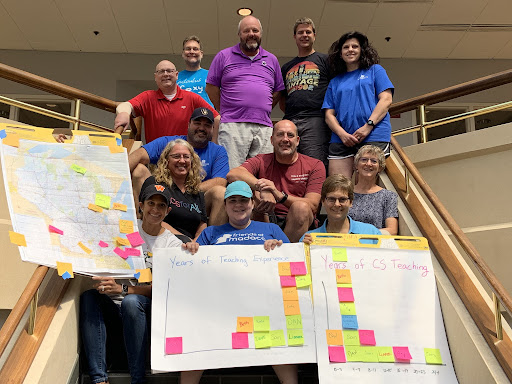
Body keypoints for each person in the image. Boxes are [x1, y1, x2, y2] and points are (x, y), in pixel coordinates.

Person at [79, 180, 197, 384]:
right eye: (151, 203)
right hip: (116, 304)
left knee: (131, 302)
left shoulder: (173, 244)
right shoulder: (124, 232)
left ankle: (138, 379)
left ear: (168, 211)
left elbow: (164, 290)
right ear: (141, 206)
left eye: (161, 205)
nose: (156, 209)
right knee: (89, 297)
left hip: (147, 309)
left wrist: (123, 289)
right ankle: (99, 379)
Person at [181, 180, 297, 384]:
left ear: (252, 203)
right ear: (225, 206)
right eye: (232, 201)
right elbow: (194, 269)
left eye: (243, 200)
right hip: (219, 305)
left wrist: (278, 248)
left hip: (262, 303)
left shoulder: (271, 229)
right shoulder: (210, 233)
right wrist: (191, 250)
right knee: (196, 337)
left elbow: (290, 263)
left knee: (280, 342)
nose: (238, 205)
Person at [227, 120, 325, 243]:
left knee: (301, 208)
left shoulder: (314, 164)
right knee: (254, 195)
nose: (285, 139)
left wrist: (279, 195)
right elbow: (233, 174)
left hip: (297, 221)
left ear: (298, 140)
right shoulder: (261, 160)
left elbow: (313, 205)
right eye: (280, 134)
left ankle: (286, 256)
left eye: (290, 135)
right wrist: (263, 188)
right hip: (266, 216)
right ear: (272, 140)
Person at [206, 15, 285, 168]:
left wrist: (264, 107)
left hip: (264, 126)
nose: (251, 34)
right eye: (246, 31)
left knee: (262, 175)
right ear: (239, 35)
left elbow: (278, 91)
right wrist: (225, 109)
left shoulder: (272, 59)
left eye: (255, 30)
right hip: (233, 125)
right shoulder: (224, 56)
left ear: (261, 34)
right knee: (232, 174)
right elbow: (211, 87)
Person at [129, 108, 229, 225]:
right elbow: (139, 154)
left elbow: (220, 181)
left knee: (221, 192)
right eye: (197, 123)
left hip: (197, 199)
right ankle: (139, 222)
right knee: (139, 170)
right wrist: (115, 178)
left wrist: (186, 192)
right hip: (162, 195)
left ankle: (212, 239)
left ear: (213, 129)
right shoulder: (170, 141)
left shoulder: (218, 151)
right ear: (188, 124)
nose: (202, 128)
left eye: (207, 125)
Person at [323, 31, 394, 178]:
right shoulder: (335, 82)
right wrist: (342, 134)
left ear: (362, 50)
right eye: (346, 47)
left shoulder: (375, 71)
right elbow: (329, 114)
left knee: (366, 189)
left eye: (355, 46)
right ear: (340, 53)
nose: (350, 49)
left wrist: (368, 127)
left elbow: (386, 99)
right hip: (341, 139)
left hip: (373, 135)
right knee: (338, 187)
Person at [114, 60, 219, 143]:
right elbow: (126, 105)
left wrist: (213, 145)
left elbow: (217, 118)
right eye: (161, 71)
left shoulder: (192, 98)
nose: (165, 74)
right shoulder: (147, 97)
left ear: (177, 75)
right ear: (155, 77)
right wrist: (123, 114)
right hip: (156, 159)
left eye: (169, 71)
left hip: (184, 159)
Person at [280, 17, 331, 168]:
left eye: (308, 32)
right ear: (294, 37)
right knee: (289, 164)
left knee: (315, 164)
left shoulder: (325, 60)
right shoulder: (286, 67)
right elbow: (283, 99)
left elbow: (335, 90)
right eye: (300, 32)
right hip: (290, 121)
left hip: (316, 120)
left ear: (314, 35)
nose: (304, 35)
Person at [149, 139, 207, 241]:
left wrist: (196, 243)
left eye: (186, 157)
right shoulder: (156, 183)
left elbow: (202, 224)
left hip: (192, 248)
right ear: (166, 160)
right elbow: (153, 217)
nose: (182, 160)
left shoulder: (197, 191)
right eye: (176, 156)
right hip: (162, 242)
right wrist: (184, 240)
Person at [301, 174, 381, 243]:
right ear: (323, 202)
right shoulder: (309, 238)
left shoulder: (372, 233)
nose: (337, 204)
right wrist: (304, 248)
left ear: (351, 202)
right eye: (331, 199)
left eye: (342, 199)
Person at [349, 145, 398, 235]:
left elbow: (392, 230)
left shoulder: (388, 196)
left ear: (379, 168)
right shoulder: (346, 193)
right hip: (346, 244)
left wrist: (364, 235)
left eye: (374, 161)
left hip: (375, 245)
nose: (368, 164)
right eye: (364, 160)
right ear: (356, 165)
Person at [176, 36, 214, 107]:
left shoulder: (211, 75)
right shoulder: (175, 77)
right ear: (183, 53)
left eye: (195, 49)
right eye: (188, 49)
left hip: (206, 116)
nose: (191, 51)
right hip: (183, 117)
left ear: (201, 54)